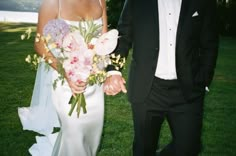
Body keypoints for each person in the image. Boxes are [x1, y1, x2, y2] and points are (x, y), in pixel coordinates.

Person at [104, 0, 219, 155]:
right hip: (148, 89)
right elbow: (124, 35)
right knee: (144, 149)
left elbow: (209, 41)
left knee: (189, 148)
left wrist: (204, 80)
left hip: (187, 90)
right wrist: (113, 71)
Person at [18, 0, 107, 155]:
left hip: (93, 81)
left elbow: (104, 40)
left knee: (92, 134)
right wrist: (66, 71)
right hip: (66, 82)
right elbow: (40, 45)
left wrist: (97, 67)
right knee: (73, 134)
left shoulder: (100, 1)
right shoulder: (54, 2)